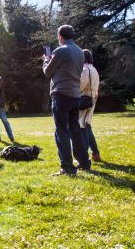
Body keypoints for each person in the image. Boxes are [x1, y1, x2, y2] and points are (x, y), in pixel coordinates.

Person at [42, 25, 90, 176]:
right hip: (75, 96)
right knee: (75, 130)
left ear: (60, 36)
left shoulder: (60, 50)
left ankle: (67, 168)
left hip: (61, 94)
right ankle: (84, 162)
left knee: (61, 131)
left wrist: (45, 60)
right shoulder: (80, 52)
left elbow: (48, 72)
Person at [79, 49, 101, 162]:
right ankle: (95, 153)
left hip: (84, 99)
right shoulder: (94, 69)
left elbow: (80, 86)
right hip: (92, 99)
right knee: (87, 125)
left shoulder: (85, 69)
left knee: (83, 127)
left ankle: (83, 158)